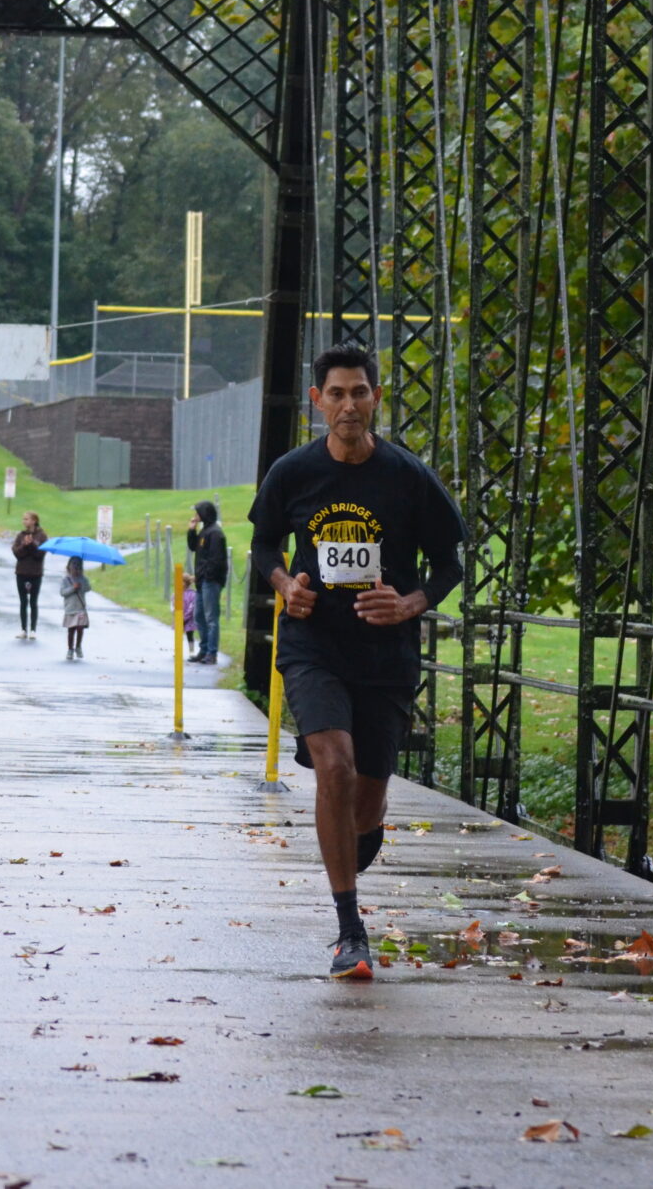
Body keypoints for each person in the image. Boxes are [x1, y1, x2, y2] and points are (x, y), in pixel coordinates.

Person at [249, 343, 464, 981]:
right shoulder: (292, 472)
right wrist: (286, 585)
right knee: (333, 769)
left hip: (385, 655)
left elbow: (451, 560)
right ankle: (350, 930)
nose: (349, 404)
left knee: (366, 801)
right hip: (314, 645)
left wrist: (413, 601)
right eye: (336, 394)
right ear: (317, 402)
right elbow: (264, 544)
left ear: (375, 398)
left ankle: (357, 840)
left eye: (360, 392)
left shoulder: (407, 476)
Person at [186, 499, 227, 664]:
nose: (195, 515)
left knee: (211, 617)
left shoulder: (215, 533)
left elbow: (216, 559)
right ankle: (203, 650)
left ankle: (212, 652)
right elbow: (193, 547)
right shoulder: (205, 532)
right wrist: (191, 530)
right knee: (199, 616)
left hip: (211, 581)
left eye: (198, 512)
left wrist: (206, 575)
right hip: (202, 581)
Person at [12, 511, 48, 639]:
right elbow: (17, 553)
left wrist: (32, 545)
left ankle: (33, 629)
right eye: (23, 519)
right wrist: (24, 545)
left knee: (33, 601)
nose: (24, 521)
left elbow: (40, 555)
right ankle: (23, 629)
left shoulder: (42, 536)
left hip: (35, 573)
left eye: (27, 519)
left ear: (34, 520)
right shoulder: (20, 536)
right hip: (21, 572)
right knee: (23, 601)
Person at [59, 555, 91, 660]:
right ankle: (70, 649)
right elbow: (63, 592)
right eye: (73, 566)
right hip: (70, 608)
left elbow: (88, 588)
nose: (75, 568)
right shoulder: (66, 580)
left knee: (80, 628)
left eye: (78, 567)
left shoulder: (83, 579)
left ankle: (78, 646)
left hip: (80, 608)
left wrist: (81, 585)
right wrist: (73, 588)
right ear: (69, 567)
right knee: (71, 630)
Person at [182, 573, 198, 656]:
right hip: (179, 618)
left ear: (186, 583)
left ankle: (191, 651)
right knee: (178, 635)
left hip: (189, 619)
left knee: (189, 635)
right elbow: (173, 604)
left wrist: (185, 617)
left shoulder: (192, 594)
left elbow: (192, 607)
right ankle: (178, 650)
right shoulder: (177, 594)